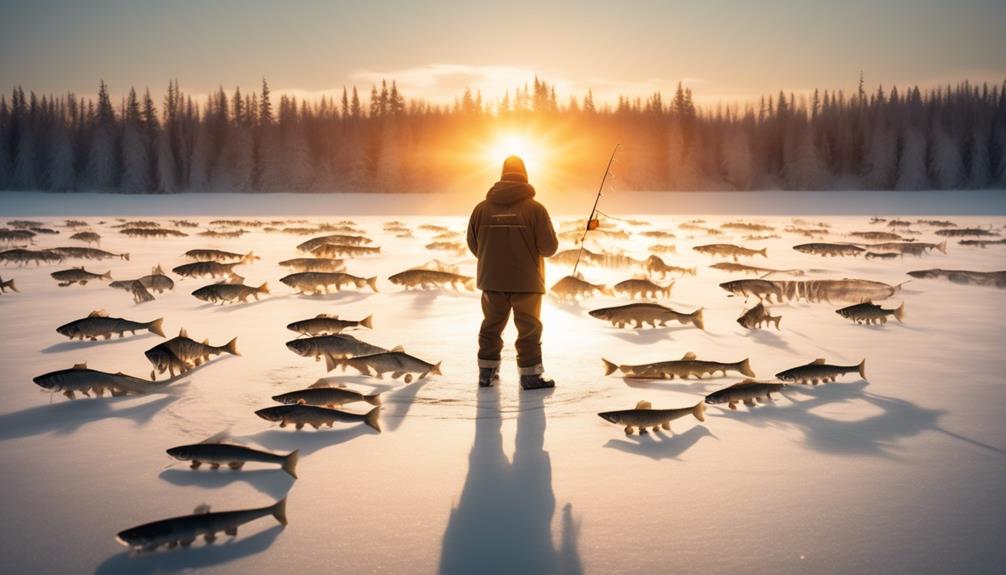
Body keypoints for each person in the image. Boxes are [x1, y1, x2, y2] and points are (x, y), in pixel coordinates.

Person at [467, 155, 558, 390]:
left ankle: (486, 375)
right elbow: (549, 248)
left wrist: (491, 261)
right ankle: (530, 377)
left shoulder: (481, 209)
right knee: (529, 329)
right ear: (525, 175)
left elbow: (474, 245)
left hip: (491, 279)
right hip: (527, 281)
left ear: (502, 175)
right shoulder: (536, 209)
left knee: (491, 327)